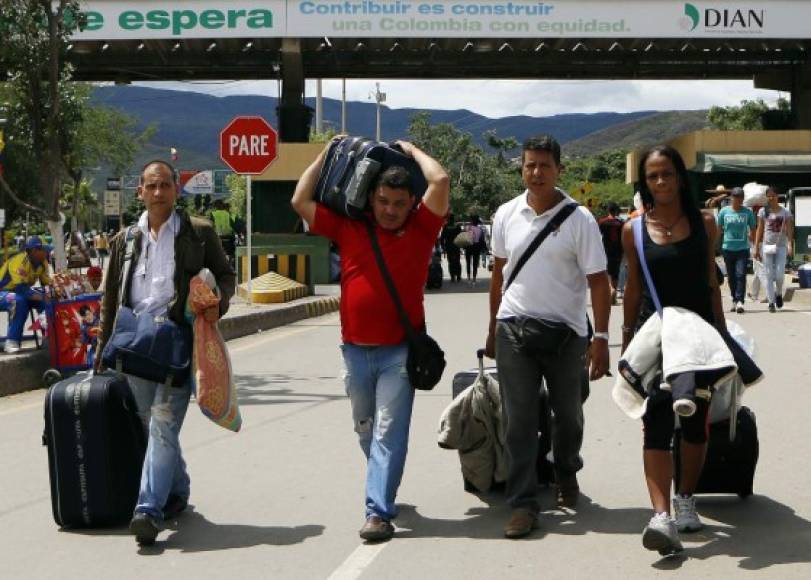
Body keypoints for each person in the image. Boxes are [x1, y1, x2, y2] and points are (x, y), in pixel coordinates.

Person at [291, 138, 449, 543]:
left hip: (399, 352)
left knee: (387, 432)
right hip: (354, 351)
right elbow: (300, 200)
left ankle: (377, 512)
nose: (390, 210)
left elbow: (441, 179)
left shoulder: (422, 229)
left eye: (399, 202)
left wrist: (413, 150)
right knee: (365, 429)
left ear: (412, 202)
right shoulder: (350, 227)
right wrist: (326, 154)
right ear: (371, 198)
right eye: (383, 201)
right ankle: (385, 483)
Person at [95, 160, 235, 546]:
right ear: (139, 191)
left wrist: (215, 304)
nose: (159, 193)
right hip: (134, 346)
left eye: (166, 185)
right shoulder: (124, 239)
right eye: (151, 186)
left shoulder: (198, 232)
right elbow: (110, 299)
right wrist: (100, 353)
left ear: (176, 189)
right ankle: (178, 488)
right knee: (151, 426)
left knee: (162, 423)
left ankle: (148, 510)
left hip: (178, 343)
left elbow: (225, 276)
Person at [484, 134, 611, 539]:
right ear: (521, 168)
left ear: (559, 169)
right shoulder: (506, 214)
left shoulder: (580, 220)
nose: (536, 172)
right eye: (529, 165)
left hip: (566, 336)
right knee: (518, 421)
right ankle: (522, 504)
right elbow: (499, 275)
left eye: (544, 165)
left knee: (567, 416)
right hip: (514, 330)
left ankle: (566, 470)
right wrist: (492, 329)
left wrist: (601, 338)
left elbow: (599, 282)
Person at [621, 145, 727, 555]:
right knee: (658, 417)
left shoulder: (705, 223)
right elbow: (631, 289)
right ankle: (661, 515)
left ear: (681, 176)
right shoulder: (633, 229)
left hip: (698, 337)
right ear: (644, 182)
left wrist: (722, 332)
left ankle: (685, 498)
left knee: (697, 420)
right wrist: (627, 336)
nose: (661, 182)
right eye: (653, 176)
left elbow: (711, 282)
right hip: (657, 335)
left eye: (667, 173)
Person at [0, 236, 51, 354]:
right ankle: (12, 341)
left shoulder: (43, 263)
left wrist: (52, 293)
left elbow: (46, 285)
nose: (47, 252)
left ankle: (48, 337)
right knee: (18, 301)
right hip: (4, 292)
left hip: (20, 292)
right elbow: (21, 289)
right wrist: (43, 296)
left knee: (48, 299)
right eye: (44, 250)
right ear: (34, 251)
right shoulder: (20, 261)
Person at [754, 185, 794, 312]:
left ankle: (778, 294)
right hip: (767, 246)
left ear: (777, 196)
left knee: (779, 274)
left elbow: (789, 229)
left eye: (773, 196)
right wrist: (756, 247)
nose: (771, 198)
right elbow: (759, 229)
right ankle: (771, 302)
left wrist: (790, 245)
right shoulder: (763, 211)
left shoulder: (785, 211)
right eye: (769, 196)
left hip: (781, 246)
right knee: (769, 274)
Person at [717, 187, 756, 313]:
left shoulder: (747, 212)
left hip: (742, 249)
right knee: (731, 277)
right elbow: (718, 229)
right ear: (731, 198)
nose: (738, 199)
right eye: (735, 197)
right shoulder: (724, 212)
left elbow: (753, 229)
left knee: (741, 274)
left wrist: (755, 245)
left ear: (743, 198)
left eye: (740, 197)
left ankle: (740, 301)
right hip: (727, 248)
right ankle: (734, 299)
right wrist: (713, 245)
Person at [598, 202, 625, 304]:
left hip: (606, 250)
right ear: (616, 211)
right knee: (616, 273)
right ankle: (613, 294)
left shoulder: (602, 222)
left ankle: (611, 289)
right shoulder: (621, 223)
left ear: (608, 210)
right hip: (618, 251)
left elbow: (597, 236)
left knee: (607, 271)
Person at [208, 199, 236, 266]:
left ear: (215, 206)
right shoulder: (230, 214)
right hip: (229, 236)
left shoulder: (213, 214)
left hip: (218, 237)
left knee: (215, 252)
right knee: (231, 253)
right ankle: (231, 263)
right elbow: (235, 224)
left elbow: (210, 226)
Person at [440, 213, 462, 282]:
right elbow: (461, 236)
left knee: (450, 262)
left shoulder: (446, 226)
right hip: (456, 246)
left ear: (448, 219)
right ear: (454, 219)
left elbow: (442, 238)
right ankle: (458, 276)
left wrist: (443, 246)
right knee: (457, 261)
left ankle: (452, 276)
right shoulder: (457, 226)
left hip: (449, 246)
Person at [464, 215, 486, 285]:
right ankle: (474, 278)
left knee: (468, 262)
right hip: (476, 247)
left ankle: (468, 278)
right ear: (478, 222)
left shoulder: (467, 228)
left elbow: (464, 237)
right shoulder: (480, 230)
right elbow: (482, 240)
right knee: (475, 263)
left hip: (468, 247)